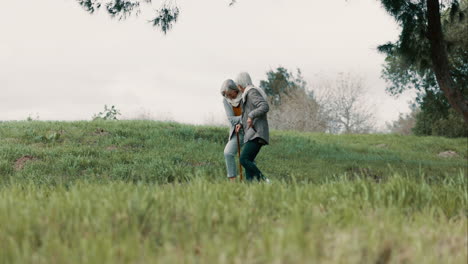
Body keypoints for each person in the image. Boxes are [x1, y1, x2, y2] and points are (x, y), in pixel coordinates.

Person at [235, 72, 270, 182]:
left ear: (241, 84)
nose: (238, 87)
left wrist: (251, 116)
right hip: (253, 133)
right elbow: (247, 113)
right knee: (248, 161)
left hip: (257, 132)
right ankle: (249, 189)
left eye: (238, 84)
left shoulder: (251, 92)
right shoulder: (247, 94)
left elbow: (264, 106)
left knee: (244, 159)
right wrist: (241, 124)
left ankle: (264, 180)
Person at [220, 79, 244, 181]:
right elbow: (231, 119)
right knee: (228, 153)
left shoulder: (244, 95)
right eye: (227, 95)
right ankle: (233, 182)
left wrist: (243, 120)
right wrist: (244, 118)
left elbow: (251, 114)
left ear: (235, 90)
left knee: (247, 158)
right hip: (236, 132)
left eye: (230, 94)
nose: (229, 97)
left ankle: (252, 182)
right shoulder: (226, 100)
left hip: (250, 130)